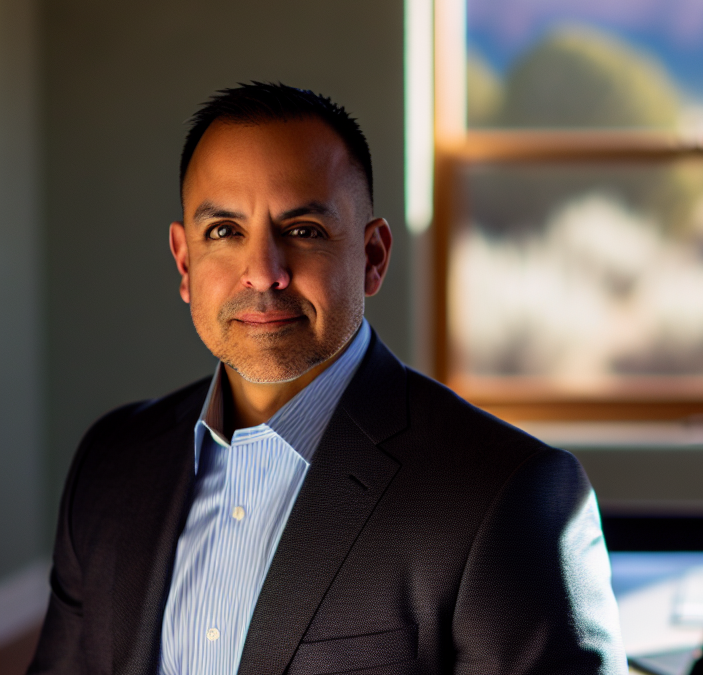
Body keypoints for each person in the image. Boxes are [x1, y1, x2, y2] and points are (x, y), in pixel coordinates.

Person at [29, 82, 626, 675]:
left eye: (304, 230)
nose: (263, 273)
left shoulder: (508, 495)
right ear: (185, 263)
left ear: (373, 257)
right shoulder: (111, 463)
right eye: (224, 232)